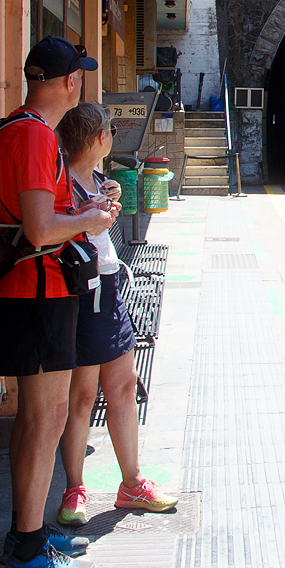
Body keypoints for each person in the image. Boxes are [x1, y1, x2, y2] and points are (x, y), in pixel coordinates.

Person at [0, 37, 118, 568]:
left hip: (33, 292)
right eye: (80, 75)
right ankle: (26, 546)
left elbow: (39, 213)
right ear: (70, 82)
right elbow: (40, 230)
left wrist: (81, 205)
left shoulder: (18, 129)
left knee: (41, 415)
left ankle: (32, 533)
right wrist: (92, 220)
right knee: (47, 417)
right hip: (36, 291)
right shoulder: (37, 137)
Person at [54, 101, 178, 525]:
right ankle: (74, 488)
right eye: (109, 130)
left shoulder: (97, 179)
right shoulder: (62, 182)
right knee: (83, 396)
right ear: (98, 139)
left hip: (109, 288)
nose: (112, 136)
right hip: (83, 293)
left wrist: (110, 199)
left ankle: (132, 484)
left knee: (123, 386)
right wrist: (94, 216)